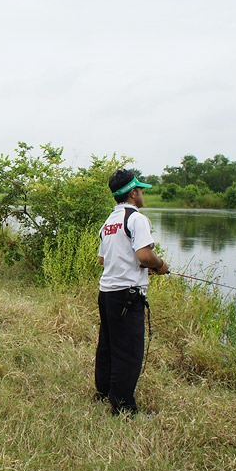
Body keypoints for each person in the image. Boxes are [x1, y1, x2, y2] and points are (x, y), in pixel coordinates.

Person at [95, 169, 169, 416]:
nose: (142, 195)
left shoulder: (109, 221)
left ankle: (104, 393)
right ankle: (123, 408)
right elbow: (144, 255)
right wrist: (159, 265)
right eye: (141, 191)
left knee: (108, 345)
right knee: (128, 351)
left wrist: (138, 267)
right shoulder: (137, 218)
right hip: (127, 296)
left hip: (107, 293)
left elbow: (102, 259)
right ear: (134, 193)